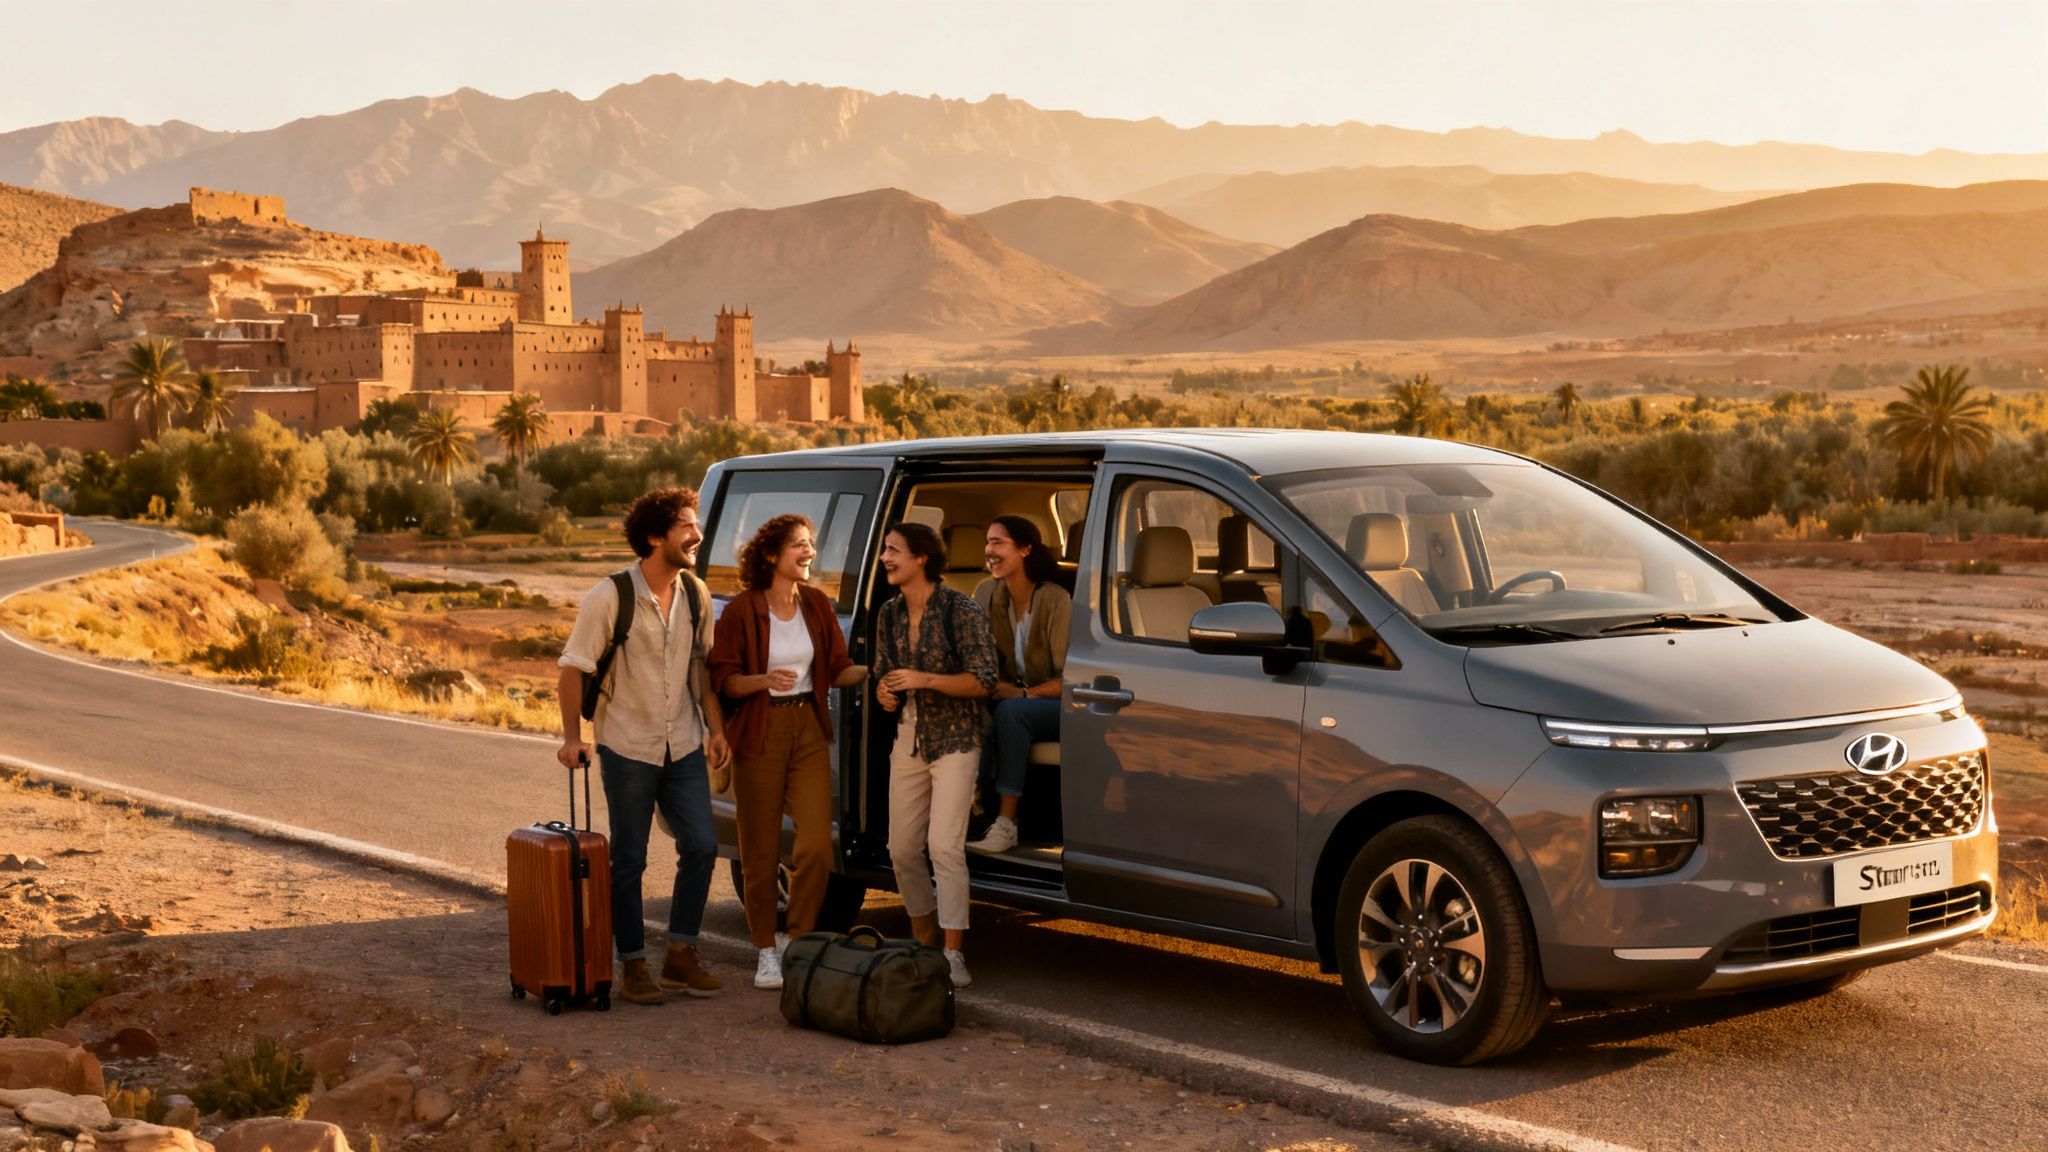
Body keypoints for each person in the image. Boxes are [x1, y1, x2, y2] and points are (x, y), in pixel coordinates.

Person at [556, 486, 731, 1006]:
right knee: (629, 859)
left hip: (684, 742)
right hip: (627, 744)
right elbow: (573, 669)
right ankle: (633, 963)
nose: (697, 534)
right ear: (655, 537)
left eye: (697, 524)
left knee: (702, 844)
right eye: (686, 525)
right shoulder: (610, 596)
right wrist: (572, 739)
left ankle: (680, 954)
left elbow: (701, 670)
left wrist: (715, 729)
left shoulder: (696, 594)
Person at [708, 514, 868, 990]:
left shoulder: (815, 604)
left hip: (808, 729)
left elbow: (837, 668)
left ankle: (797, 937)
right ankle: (765, 948)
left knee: (817, 845)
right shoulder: (741, 610)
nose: (809, 552)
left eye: (810, 544)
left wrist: (879, 671)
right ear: (772, 554)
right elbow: (724, 680)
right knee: (759, 852)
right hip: (760, 729)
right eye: (799, 544)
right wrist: (762, 680)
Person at [873, 521, 998, 988]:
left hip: (956, 741)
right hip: (909, 738)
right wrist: (886, 692)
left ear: (922, 557)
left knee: (944, 846)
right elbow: (886, 674)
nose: (885, 558)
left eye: (894, 550)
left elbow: (983, 680)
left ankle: (952, 952)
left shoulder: (961, 609)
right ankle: (923, 938)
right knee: (902, 848)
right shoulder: (889, 613)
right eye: (885, 550)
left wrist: (924, 679)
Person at [966, 516, 1070, 855]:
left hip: (1060, 704)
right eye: (987, 542)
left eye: (998, 542)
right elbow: (976, 654)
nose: (989, 550)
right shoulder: (988, 593)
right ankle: (970, 804)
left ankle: (1006, 824)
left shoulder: (1055, 599)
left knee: (1012, 711)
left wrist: (1024, 693)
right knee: (973, 709)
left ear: (1025, 549)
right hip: (1008, 699)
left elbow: (1070, 678)